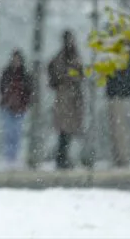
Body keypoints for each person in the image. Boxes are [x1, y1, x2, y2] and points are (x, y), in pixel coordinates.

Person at [47, 30, 85, 170]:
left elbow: (81, 74)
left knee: (70, 130)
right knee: (64, 130)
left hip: (74, 97)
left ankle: (64, 158)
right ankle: (61, 159)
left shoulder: (74, 55)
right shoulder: (61, 57)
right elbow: (54, 72)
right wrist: (65, 78)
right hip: (64, 97)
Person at [105, 43, 130, 168]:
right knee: (121, 129)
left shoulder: (121, 63)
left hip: (119, 97)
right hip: (121, 97)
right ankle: (122, 156)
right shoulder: (124, 63)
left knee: (120, 129)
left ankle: (123, 157)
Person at [0, 50, 32, 167]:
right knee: (8, 133)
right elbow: (1, 88)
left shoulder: (25, 75)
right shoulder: (6, 73)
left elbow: (29, 91)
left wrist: (23, 102)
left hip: (20, 109)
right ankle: (8, 158)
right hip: (7, 108)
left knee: (17, 133)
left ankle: (15, 157)